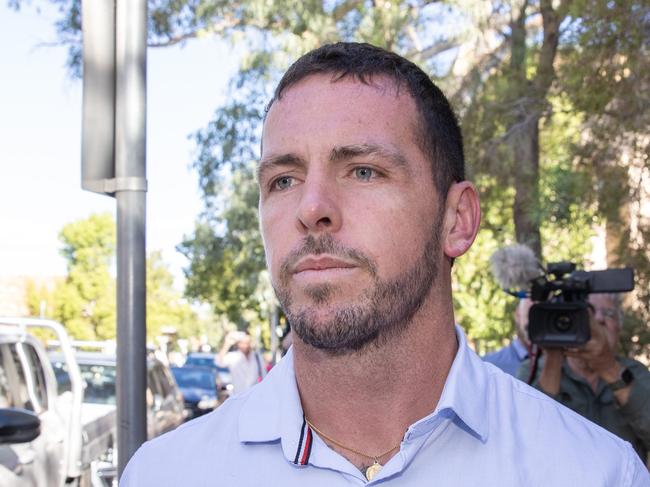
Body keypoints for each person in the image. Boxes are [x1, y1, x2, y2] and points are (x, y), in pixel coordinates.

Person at [121, 42, 650, 486]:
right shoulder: (166, 474)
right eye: (283, 180)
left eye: (364, 171)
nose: (311, 209)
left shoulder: (594, 472)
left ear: (457, 219)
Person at [519, 292, 650, 462]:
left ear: (619, 325)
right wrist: (554, 354)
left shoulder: (635, 372)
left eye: (609, 313)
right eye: (588, 313)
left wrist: (608, 367)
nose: (598, 320)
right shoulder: (533, 369)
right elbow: (526, 438)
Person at [483, 297, 533, 376]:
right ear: (517, 315)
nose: (537, 324)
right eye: (531, 315)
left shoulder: (559, 366)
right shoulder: (487, 368)